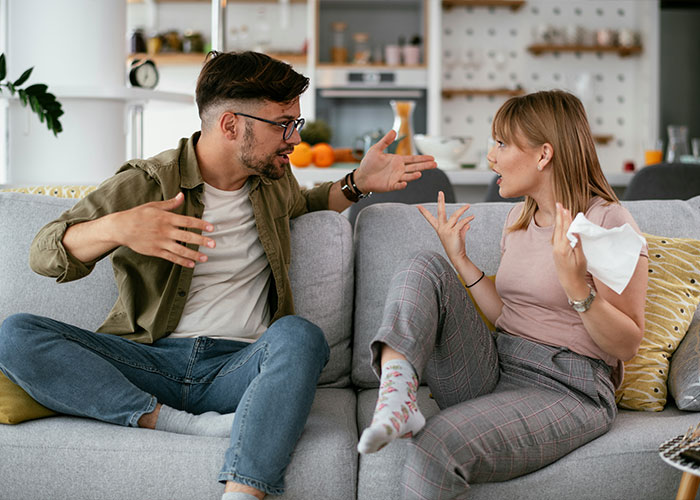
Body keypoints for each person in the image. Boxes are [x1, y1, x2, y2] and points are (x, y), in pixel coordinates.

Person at [0, 51, 436, 500]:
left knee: (301, 336)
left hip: (238, 368)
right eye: (282, 124)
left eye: (296, 124)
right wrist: (116, 227)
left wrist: (357, 182)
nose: (294, 140)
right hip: (149, 362)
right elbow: (43, 252)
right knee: (14, 335)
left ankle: (242, 494)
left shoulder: (272, 180)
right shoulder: (147, 184)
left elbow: (304, 204)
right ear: (231, 125)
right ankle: (170, 421)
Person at [357, 90, 649, 499]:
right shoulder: (519, 217)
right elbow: (508, 316)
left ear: (543, 154)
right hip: (496, 362)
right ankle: (399, 394)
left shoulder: (607, 222)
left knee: (438, 443)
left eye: (500, 144)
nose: (490, 158)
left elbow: (628, 343)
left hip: (570, 388)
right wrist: (460, 260)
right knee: (425, 263)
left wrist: (576, 286)